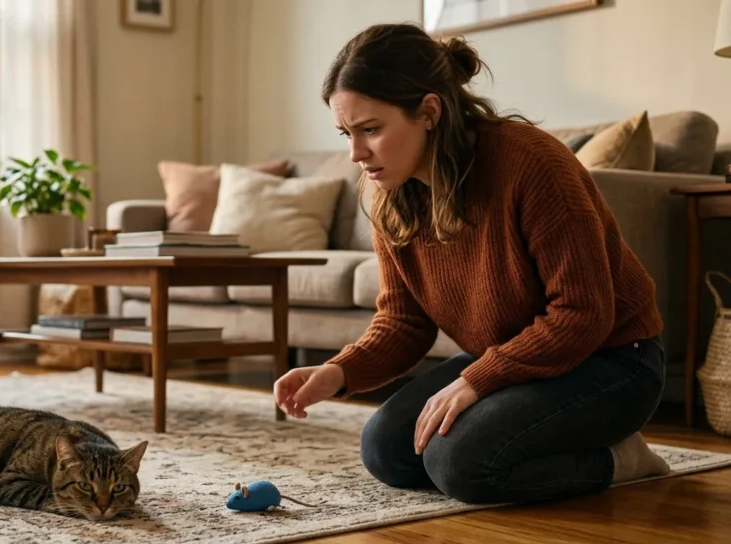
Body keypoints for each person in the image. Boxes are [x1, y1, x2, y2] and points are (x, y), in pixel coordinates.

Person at [272, 22, 671, 505]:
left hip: (612, 362)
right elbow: (404, 322)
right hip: (514, 358)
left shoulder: (531, 162)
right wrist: (337, 372)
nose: (356, 153)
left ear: (429, 112)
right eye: (346, 133)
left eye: (371, 130)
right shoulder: (386, 192)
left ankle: (620, 459)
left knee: (459, 463)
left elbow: (583, 314)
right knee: (386, 450)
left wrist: (476, 380)